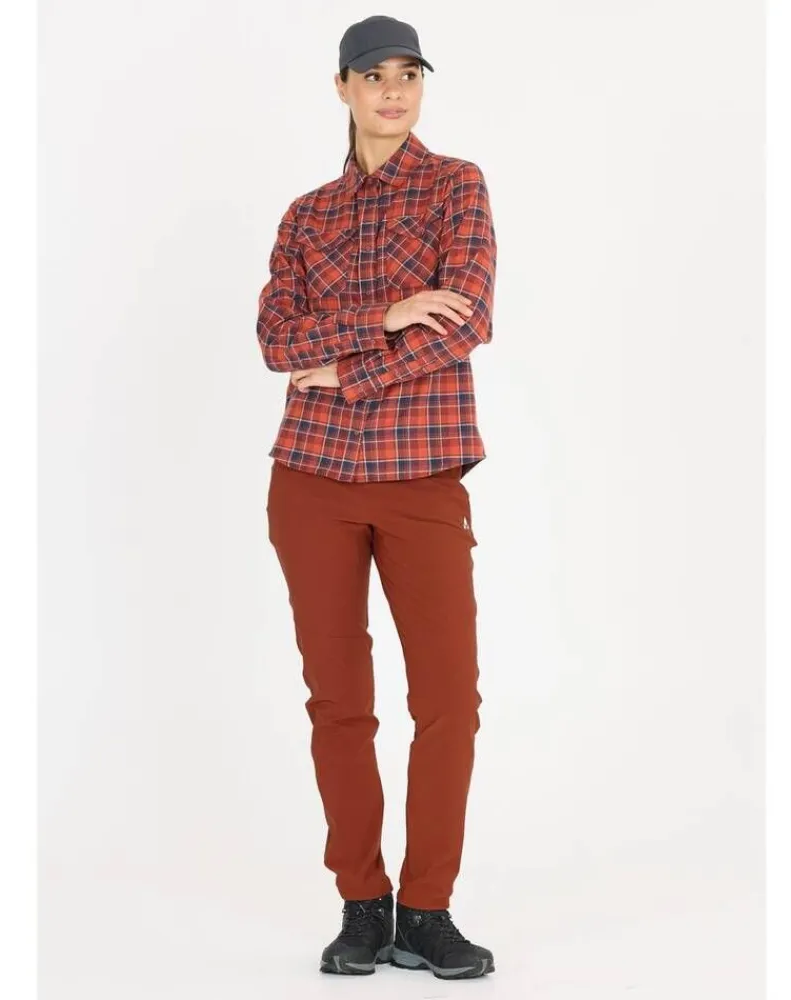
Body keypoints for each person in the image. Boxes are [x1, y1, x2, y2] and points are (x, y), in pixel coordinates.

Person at [257, 14, 497, 981]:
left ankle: (427, 909)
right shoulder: (306, 215)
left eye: (408, 75)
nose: (393, 92)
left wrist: (347, 368)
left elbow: (466, 321)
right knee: (338, 702)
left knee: (448, 700)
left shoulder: (456, 187)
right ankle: (363, 904)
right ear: (343, 88)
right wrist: (388, 313)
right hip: (310, 480)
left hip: (422, 474)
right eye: (374, 76)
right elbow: (277, 341)